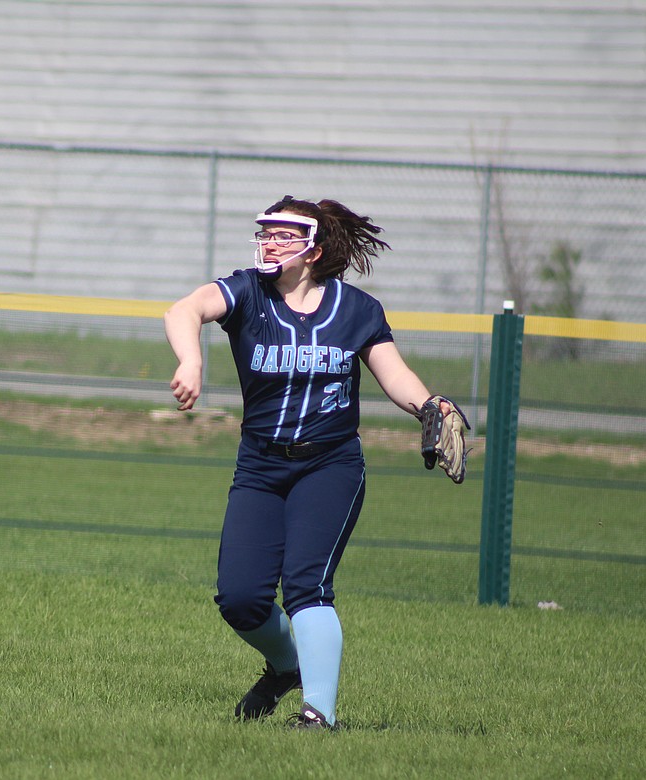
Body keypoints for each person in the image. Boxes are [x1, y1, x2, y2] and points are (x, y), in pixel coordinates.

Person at [164, 195, 461, 729]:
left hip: (330, 466)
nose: (269, 243)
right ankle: (286, 668)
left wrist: (429, 406)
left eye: (283, 235)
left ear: (314, 249)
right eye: (266, 234)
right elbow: (183, 309)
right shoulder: (246, 291)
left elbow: (392, 373)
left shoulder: (357, 309)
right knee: (240, 598)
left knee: (306, 587)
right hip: (259, 464)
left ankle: (318, 714)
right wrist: (191, 357)